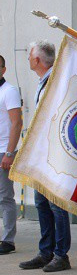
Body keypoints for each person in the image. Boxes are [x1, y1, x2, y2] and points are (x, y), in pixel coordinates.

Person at [19, 41, 72, 272]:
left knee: (56, 205)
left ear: (38, 60)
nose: (28, 59)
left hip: (53, 154)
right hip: (41, 152)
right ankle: (46, 251)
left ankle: (61, 255)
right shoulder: (44, 82)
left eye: (30, 55)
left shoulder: (54, 82)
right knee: (41, 202)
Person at [0, 55, 22, 256]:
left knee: (5, 197)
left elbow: (17, 123)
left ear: (3, 70)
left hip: (2, 152)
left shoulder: (9, 92)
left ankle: (8, 240)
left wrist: (9, 153)